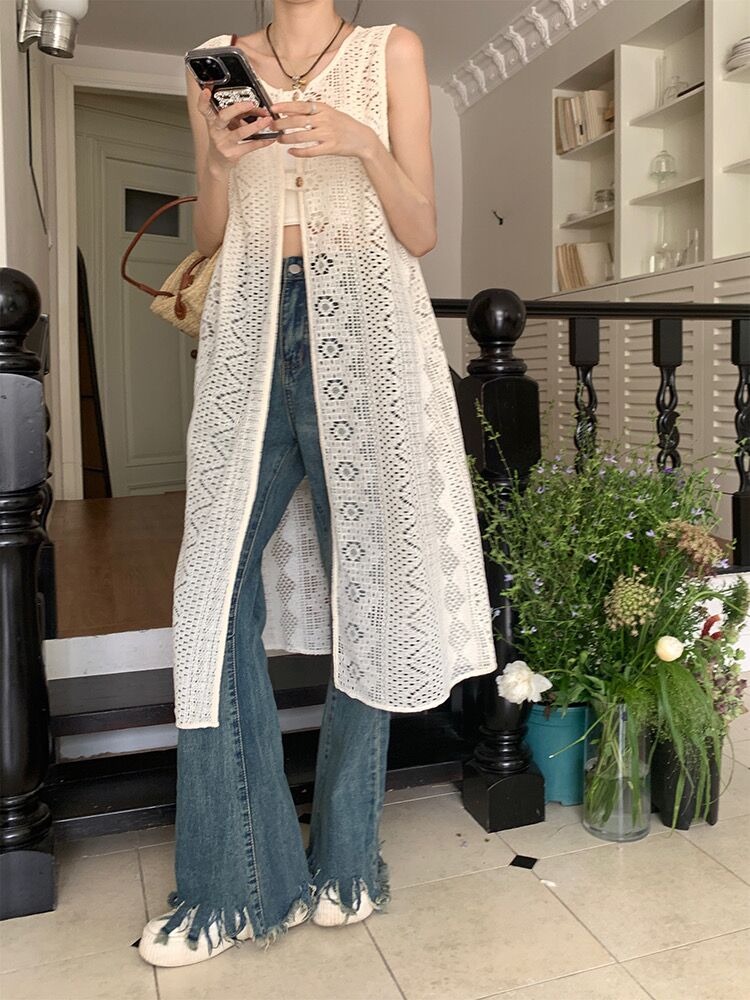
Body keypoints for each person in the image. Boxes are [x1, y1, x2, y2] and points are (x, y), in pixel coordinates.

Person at [138, 0, 497, 968]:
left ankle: (346, 861)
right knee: (209, 589)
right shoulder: (213, 62)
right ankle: (230, 884)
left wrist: (360, 143)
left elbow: (420, 230)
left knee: (369, 588)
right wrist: (221, 161)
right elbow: (212, 232)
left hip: (367, 330)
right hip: (251, 330)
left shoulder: (392, 52)